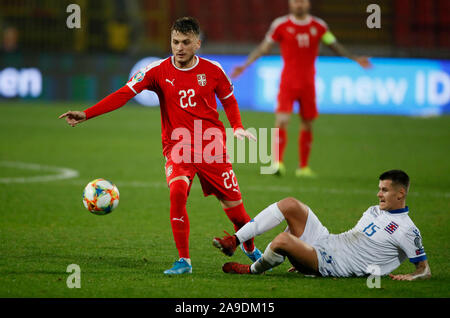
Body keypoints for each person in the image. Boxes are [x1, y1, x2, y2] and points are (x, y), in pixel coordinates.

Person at [59, 17, 262, 275]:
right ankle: (184, 261)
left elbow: (229, 100)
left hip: (211, 147)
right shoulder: (157, 70)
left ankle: (250, 248)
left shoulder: (214, 70)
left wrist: (239, 127)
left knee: (238, 214)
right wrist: (87, 113)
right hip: (177, 148)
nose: (179, 47)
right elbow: (124, 93)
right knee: (177, 194)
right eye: (175, 41)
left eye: (186, 42)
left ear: (197, 44)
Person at [231, 0, 372, 177]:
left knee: (307, 123)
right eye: (295, 1)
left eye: (302, 1)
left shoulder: (319, 26)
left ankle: (303, 167)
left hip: (308, 84)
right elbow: (264, 48)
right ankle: (278, 163)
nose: (299, 4)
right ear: (290, 4)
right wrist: (245, 65)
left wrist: (355, 58)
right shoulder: (281, 25)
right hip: (288, 82)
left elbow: (334, 45)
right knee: (282, 120)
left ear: (308, 4)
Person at [213, 170, 431, 281]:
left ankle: (252, 270)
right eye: (379, 188)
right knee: (290, 204)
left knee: (283, 240)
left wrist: (412, 276)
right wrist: (305, 255)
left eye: (384, 190)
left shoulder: (407, 230)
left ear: (401, 193)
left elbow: (424, 269)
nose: (379, 194)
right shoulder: (374, 210)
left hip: (334, 265)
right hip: (328, 243)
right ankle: (234, 240)